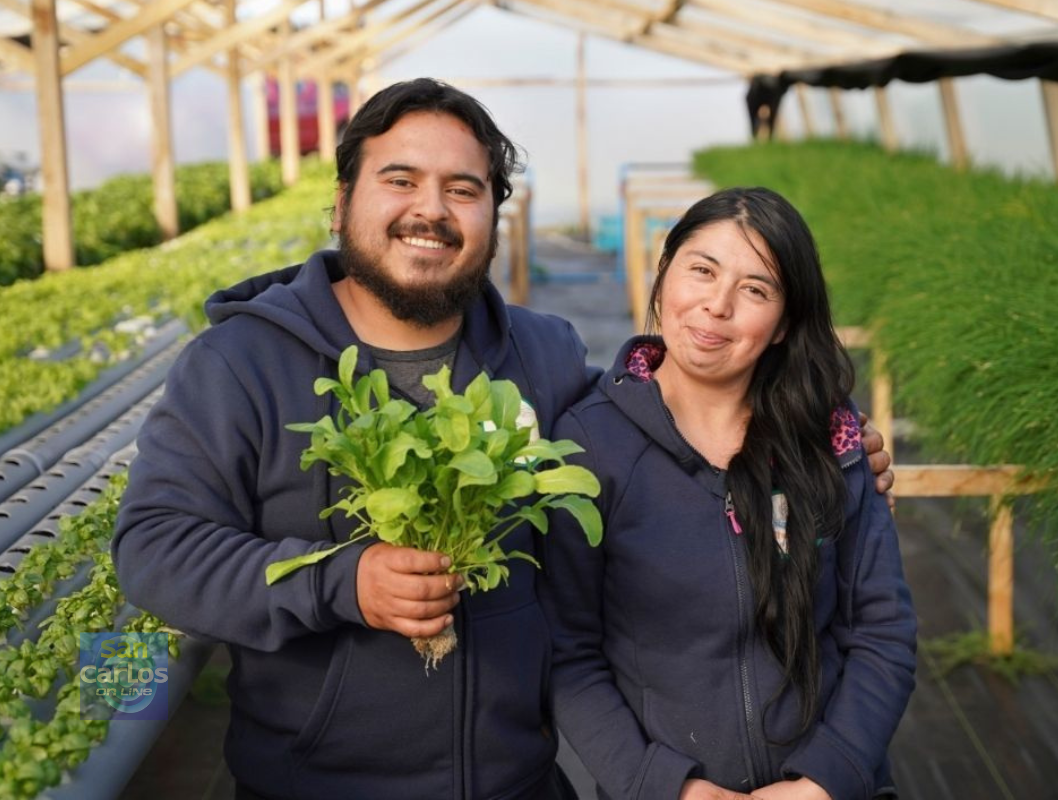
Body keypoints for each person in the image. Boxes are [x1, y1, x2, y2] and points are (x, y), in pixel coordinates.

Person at [113, 78, 896, 799]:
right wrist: (341, 583)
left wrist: (819, 442)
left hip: (517, 783)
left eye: (464, 189)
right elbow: (154, 549)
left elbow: (661, 428)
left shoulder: (544, 356)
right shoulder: (240, 364)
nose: (431, 209)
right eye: (400, 180)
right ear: (342, 199)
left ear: (495, 214)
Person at [544, 187, 917, 800]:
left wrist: (825, 779)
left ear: (782, 326)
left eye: (755, 290)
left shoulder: (829, 435)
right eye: (702, 271)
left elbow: (881, 630)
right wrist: (666, 787)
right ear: (663, 278)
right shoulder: (591, 444)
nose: (716, 306)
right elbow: (569, 653)